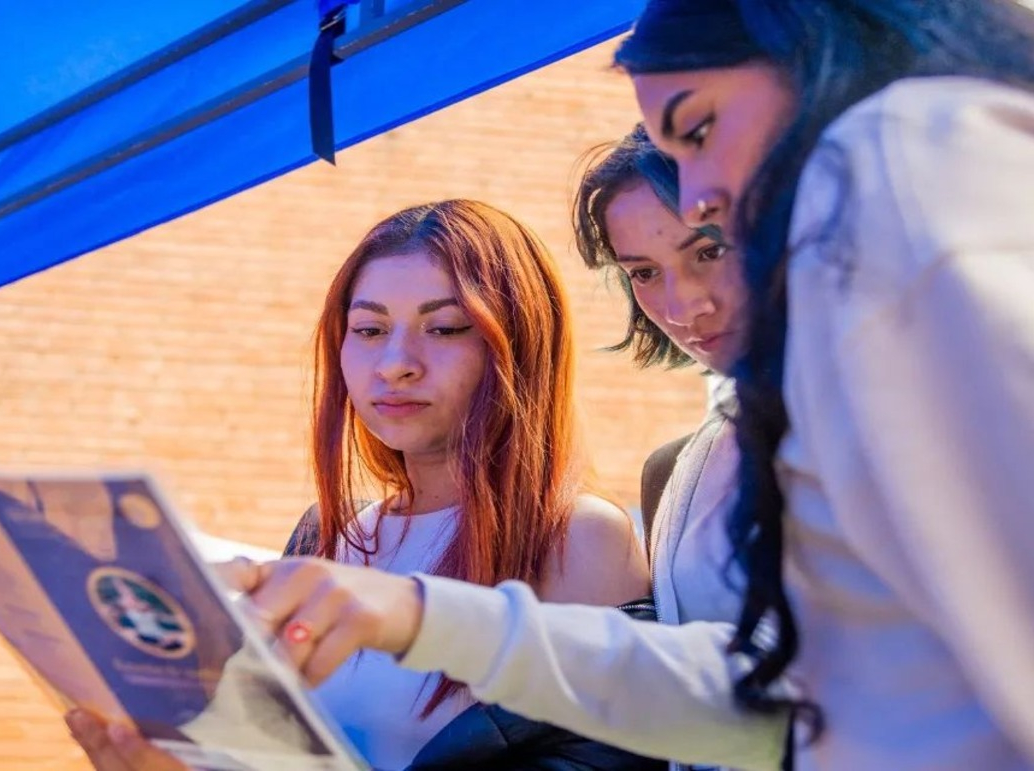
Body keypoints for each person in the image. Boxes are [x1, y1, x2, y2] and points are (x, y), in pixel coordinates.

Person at [615, 0, 1034, 769]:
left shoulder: (896, 163)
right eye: (643, 274)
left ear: (812, 46)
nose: (698, 193)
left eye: (698, 130)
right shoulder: (944, 166)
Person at [65, 199, 658, 770]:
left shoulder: (581, 538)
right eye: (370, 329)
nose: (396, 362)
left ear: (521, 345)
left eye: (446, 328)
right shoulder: (331, 534)